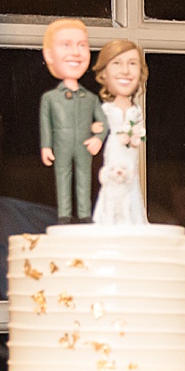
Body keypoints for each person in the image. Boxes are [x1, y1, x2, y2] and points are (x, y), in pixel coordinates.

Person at [38, 19, 106, 220]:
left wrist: (98, 137)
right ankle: (64, 215)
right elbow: (45, 124)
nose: (75, 52)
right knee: (63, 176)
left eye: (82, 45)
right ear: (50, 54)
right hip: (62, 143)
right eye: (66, 45)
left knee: (84, 177)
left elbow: (104, 120)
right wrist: (46, 147)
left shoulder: (91, 98)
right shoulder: (50, 98)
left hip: (84, 144)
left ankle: (84, 215)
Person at [90, 38, 148, 226]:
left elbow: (138, 130)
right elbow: (98, 128)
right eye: (117, 63)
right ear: (104, 73)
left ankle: (133, 218)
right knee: (114, 184)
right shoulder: (106, 109)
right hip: (115, 150)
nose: (125, 70)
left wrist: (135, 136)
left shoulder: (136, 110)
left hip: (130, 153)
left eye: (132, 64)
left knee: (131, 182)